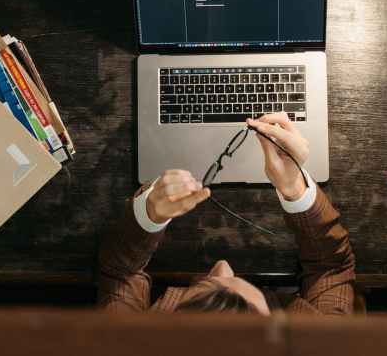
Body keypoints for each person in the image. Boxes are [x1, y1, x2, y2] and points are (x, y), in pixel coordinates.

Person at [98, 112, 355, 314]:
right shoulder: (323, 341)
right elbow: (330, 266)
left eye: (205, 287)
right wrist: (294, 188)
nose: (223, 266)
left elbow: (122, 272)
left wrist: (150, 214)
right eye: (243, 287)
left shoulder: (123, 342)